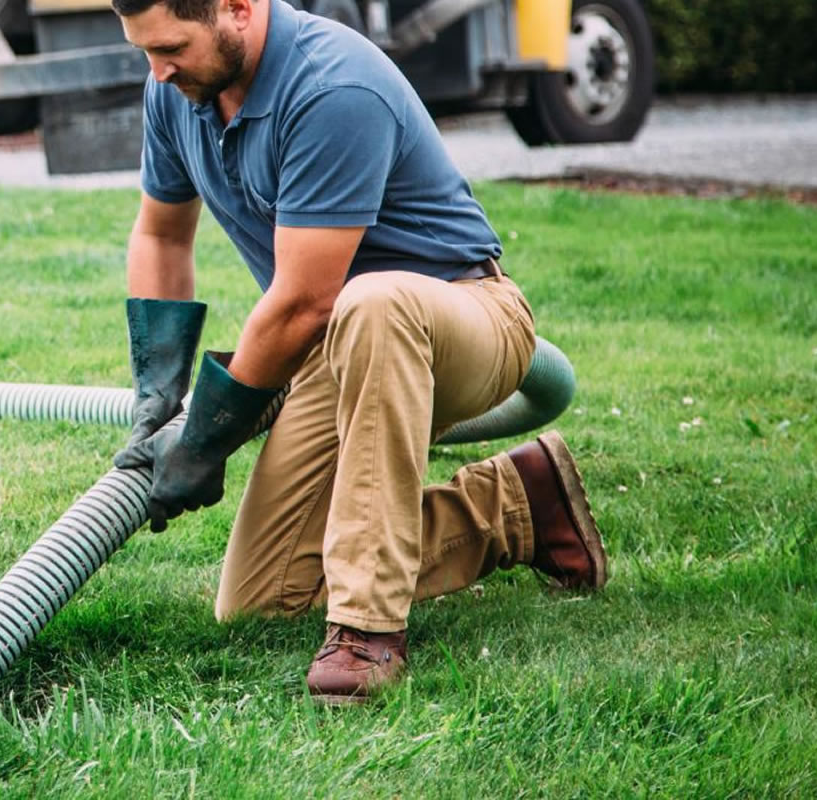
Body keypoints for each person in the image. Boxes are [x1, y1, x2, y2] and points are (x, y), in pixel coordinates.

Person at [108, 0, 608, 704]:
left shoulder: (331, 86)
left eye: (170, 48)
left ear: (236, 9)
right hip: (335, 345)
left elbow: (307, 300)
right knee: (262, 598)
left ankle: (367, 628)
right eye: (145, 52)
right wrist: (159, 394)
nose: (157, 71)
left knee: (371, 301)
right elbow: (160, 235)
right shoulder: (178, 89)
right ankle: (516, 505)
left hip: (460, 317)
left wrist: (204, 439)